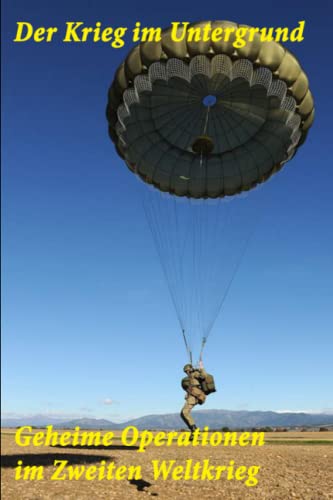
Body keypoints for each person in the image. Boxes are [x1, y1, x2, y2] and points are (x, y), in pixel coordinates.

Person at [180, 360, 207, 438]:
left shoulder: (195, 374)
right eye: (186, 372)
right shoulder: (190, 376)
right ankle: (193, 431)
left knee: (184, 412)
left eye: (187, 371)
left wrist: (201, 368)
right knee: (182, 414)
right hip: (192, 395)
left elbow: (204, 376)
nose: (186, 373)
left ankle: (195, 431)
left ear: (190, 370)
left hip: (195, 396)